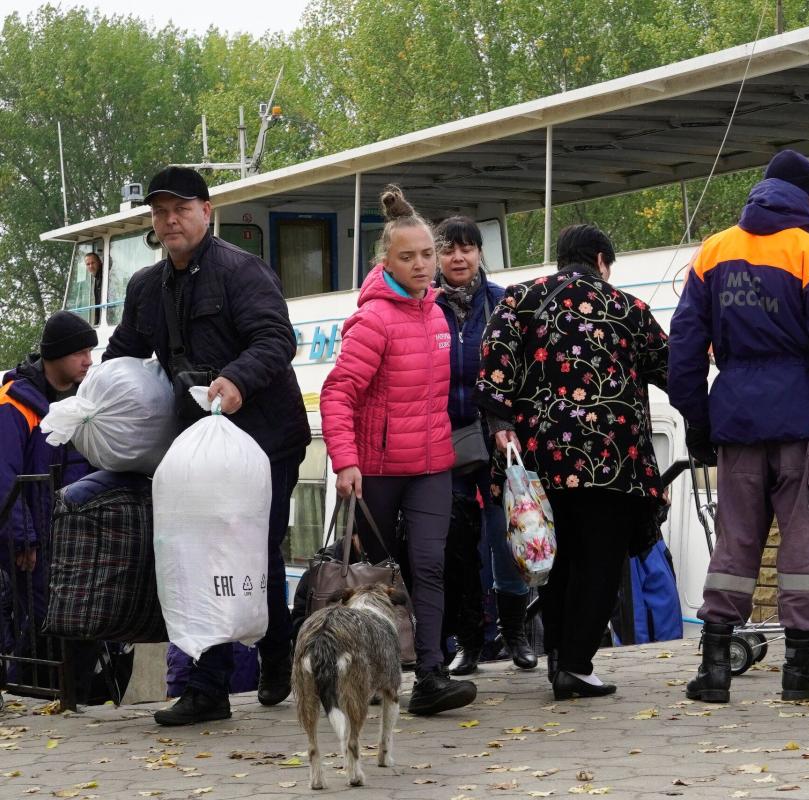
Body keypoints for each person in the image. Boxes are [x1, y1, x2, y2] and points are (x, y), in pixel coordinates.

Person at [103, 166, 311, 725]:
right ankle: (208, 689)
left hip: (265, 440)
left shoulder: (242, 271)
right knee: (200, 554)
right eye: (160, 211)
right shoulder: (145, 287)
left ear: (206, 212)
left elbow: (277, 339)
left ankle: (275, 651)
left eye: (181, 208)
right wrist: (86, 396)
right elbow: (122, 355)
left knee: (257, 549)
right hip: (197, 448)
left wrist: (238, 379)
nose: (170, 219)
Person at [669, 150, 809, 704]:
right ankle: (800, 668)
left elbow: (684, 346)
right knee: (802, 540)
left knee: (735, 539)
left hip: (736, 419)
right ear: (802, 198)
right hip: (800, 421)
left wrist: (697, 418)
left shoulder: (714, 251)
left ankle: (714, 667)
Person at [475, 223, 669, 700]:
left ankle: (560, 659)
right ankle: (577, 665)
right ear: (601, 261)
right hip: (613, 460)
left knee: (554, 560)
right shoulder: (629, 308)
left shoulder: (519, 299)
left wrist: (500, 422)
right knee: (599, 562)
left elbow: (493, 365)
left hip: (541, 456)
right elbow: (671, 368)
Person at [320, 185, 477, 716]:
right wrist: (346, 461)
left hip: (431, 465)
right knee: (375, 578)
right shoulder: (373, 320)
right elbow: (338, 393)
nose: (421, 265)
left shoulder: (437, 313)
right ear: (385, 262)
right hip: (379, 470)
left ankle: (430, 675)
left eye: (428, 254)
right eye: (408, 257)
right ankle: (369, 674)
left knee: (430, 566)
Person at [432, 216, 535, 676]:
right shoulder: (424, 306)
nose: (458, 257)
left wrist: (506, 422)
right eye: (449, 249)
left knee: (506, 536)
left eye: (467, 248)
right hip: (441, 441)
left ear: (479, 254)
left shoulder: (502, 303)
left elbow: (521, 373)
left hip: (495, 439)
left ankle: (515, 634)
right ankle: (469, 641)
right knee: (458, 548)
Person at [1, 312, 96, 689]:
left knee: (71, 624)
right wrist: (22, 538)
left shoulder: (85, 401)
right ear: (55, 355)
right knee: (48, 621)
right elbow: (4, 475)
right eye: (80, 352)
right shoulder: (14, 404)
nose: (88, 360)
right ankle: (32, 694)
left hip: (75, 539)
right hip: (34, 544)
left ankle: (68, 697)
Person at [83, 252, 103, 325]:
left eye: (93, 263)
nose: (91, 266)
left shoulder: (104, 276)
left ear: (99, 262)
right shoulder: (97, 278)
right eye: (88, 264)